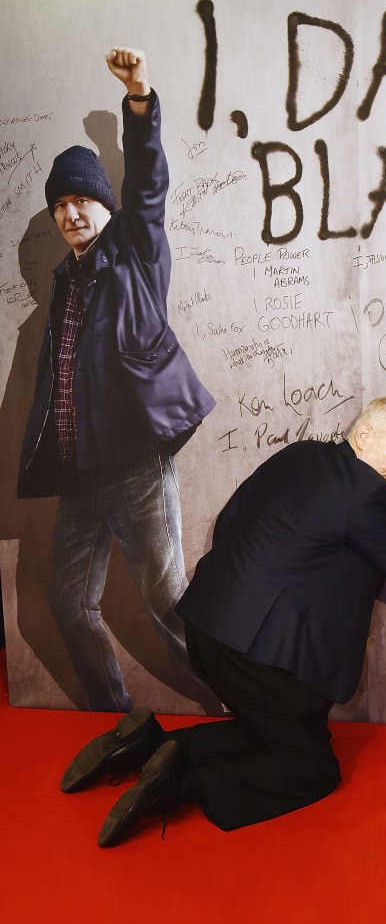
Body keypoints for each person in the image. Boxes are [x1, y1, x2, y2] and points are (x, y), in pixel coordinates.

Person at [59, 397, 386, 847]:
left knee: (270, 733)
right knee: (311, 766)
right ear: (364, 435)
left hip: (208, 625)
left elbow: (230, 519)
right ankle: (178, 786)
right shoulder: (368, 496)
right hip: (263, 654)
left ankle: (144, 746)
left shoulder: (300, 454)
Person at [17, 47, 215, 712]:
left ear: (104, 206)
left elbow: (148, 183)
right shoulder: (63, 284)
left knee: (170, 606)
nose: (72, 213)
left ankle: (247, 707)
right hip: (79, 476)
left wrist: (138, 99)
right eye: (61, 205)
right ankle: (118, 719)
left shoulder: (136, 255)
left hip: (134, 466)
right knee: (67, 603)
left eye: (83, 200)